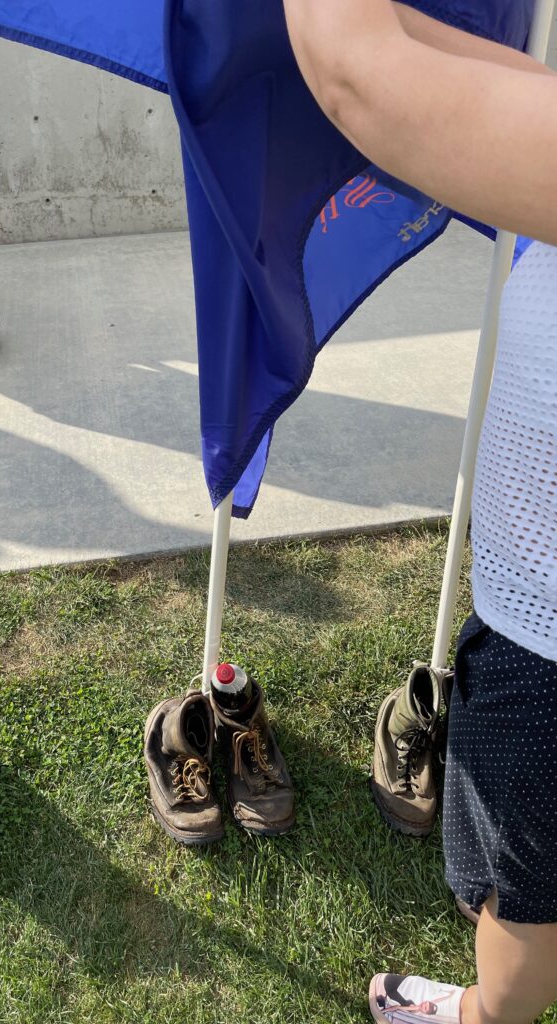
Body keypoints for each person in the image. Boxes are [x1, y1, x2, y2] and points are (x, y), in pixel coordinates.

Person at [282, 3, 557, 1023]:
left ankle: (489, 1016)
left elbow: (360, 76)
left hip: (550, 651)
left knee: (527, 896)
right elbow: (502, 80)